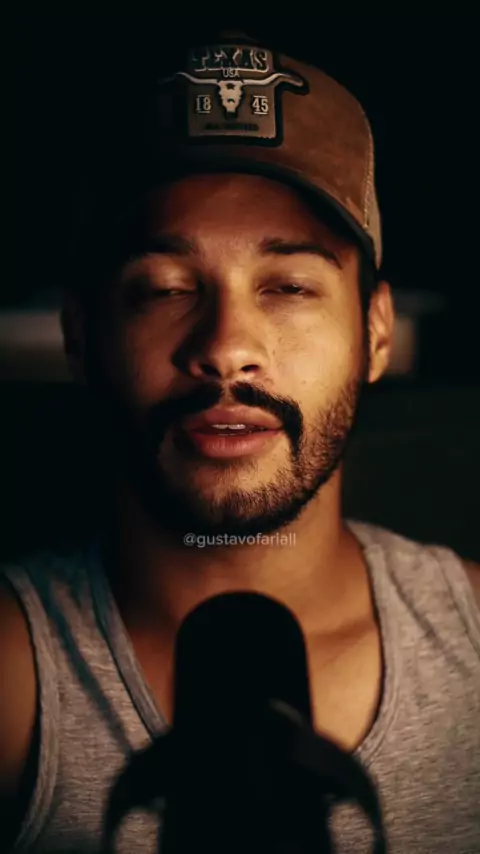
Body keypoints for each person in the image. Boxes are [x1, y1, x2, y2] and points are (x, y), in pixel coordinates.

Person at [2, 30, 479, 854]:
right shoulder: (14, 678)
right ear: (81, 336)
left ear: (375, 333)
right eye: (165, 289)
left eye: (288, 285)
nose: (227, 348)